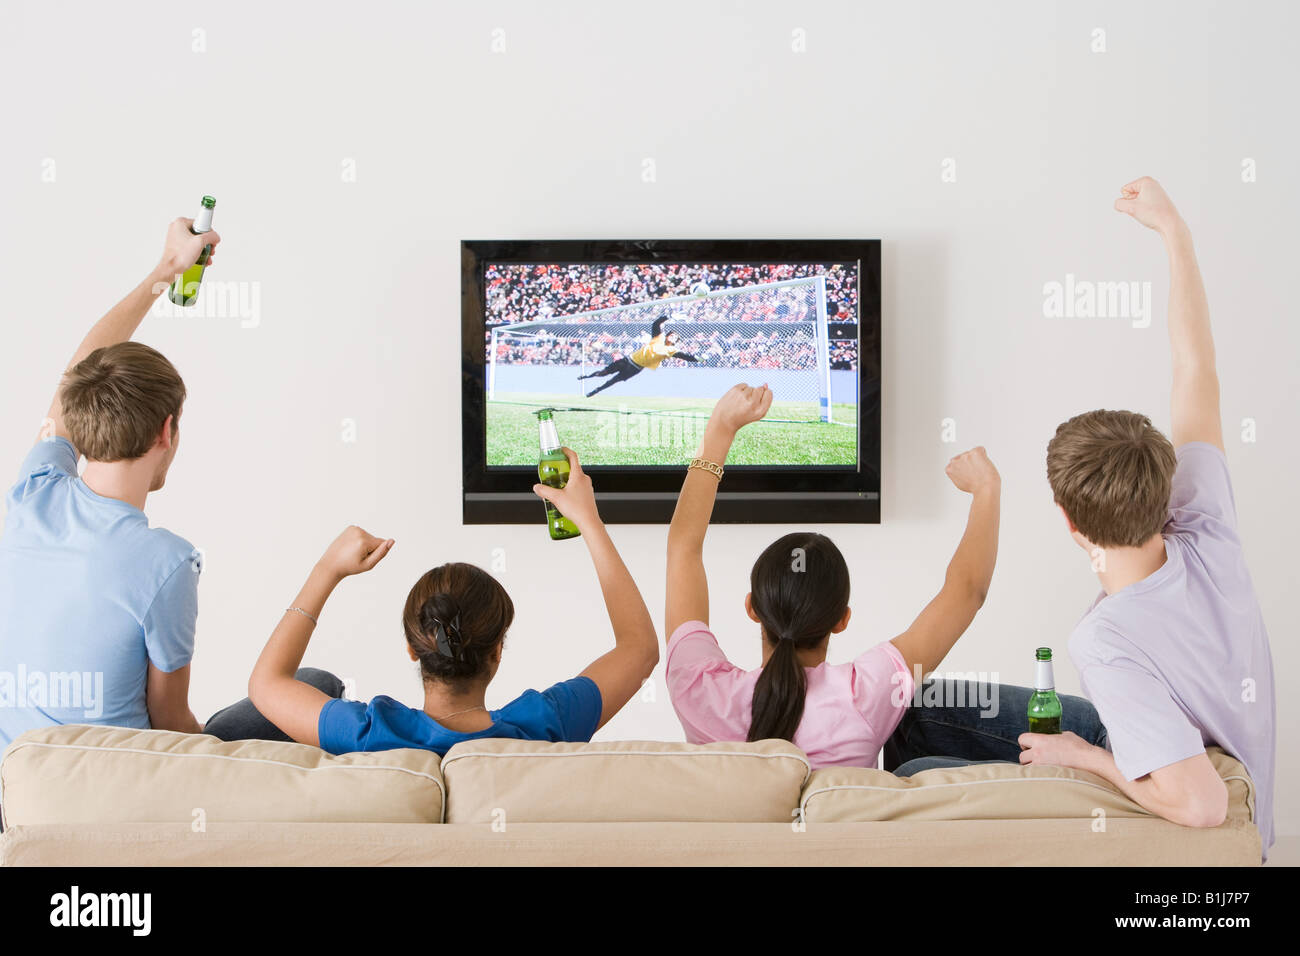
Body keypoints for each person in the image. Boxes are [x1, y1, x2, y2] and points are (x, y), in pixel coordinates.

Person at [1018, 177, 1276, 854]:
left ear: (1069, 522)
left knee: (930, 757)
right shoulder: (1205, 525)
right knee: (931, 719)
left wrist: (1086, 757)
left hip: (1208, 810)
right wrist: (1174, 234)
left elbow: (1200, 804)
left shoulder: (1106, 642)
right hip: (1234, 783)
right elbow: (1197, 369)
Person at [662, 383, 1003, 770]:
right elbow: (967, 592)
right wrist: (986, 489)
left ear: (752, 608)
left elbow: (682, 548)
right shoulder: (866, 695)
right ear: (842, 619)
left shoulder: (699, 690)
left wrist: (720, 431)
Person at [237, 448, 658, 754]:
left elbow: (266, 684)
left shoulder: (369, 734)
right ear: (497, 650)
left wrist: (326, 570)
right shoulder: (545, 725)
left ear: (412, 647)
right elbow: (640, 649)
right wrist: (590, 521)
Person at [0, 218, 224, 751]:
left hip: (17, 793)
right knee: (310, 689)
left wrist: (164, 270)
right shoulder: (169, 562)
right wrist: (227, 753)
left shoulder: (34, 494)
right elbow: (171, 723)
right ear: (167, 430)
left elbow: (79, 369)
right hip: (112, 800)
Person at [578, 314, 698, 397]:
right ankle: (588, 376)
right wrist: (668, 317)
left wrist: (698, 359)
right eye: (672, 335)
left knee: (614, 380)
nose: (673, 338)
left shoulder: (671, 350)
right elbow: (656, 323)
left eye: (675, 338)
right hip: (627, 360)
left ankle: (596, 391)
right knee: (602, 373)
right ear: (668, 335)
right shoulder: (659, 337)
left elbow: (686, 357)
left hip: (635, 368)